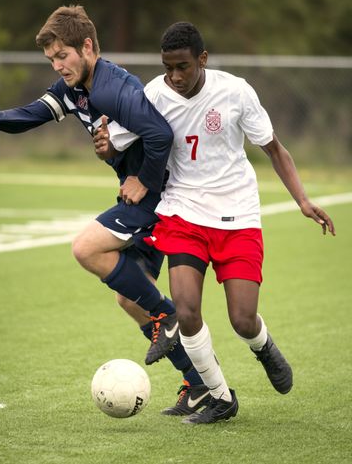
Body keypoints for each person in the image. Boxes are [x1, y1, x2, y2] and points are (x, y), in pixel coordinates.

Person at [0, 7, 212, 416]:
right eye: (51, 59)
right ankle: (200, 385)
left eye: (63, 55)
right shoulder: (74, 90)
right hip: (146, 198)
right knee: (129, 298)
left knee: (86, 249)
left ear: (87, 46)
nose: (58, 65)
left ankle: (168, 317)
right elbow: (30, 116)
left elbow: (160, 134)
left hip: (159, 198)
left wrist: (143, 181)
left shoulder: (111, 89)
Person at [93, 22, 336, 424]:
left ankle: (263, 346)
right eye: (168, 67)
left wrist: (304, 201)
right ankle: (220, 397)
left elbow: (274, 149)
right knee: (186, 312)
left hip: (238, 216)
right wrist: (103, 146)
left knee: (242, 319)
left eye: (183, 67)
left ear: (202, 60)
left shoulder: (236, 91)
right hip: (183, 213)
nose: (175, 76)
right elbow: (116, 141)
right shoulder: (154, 94)